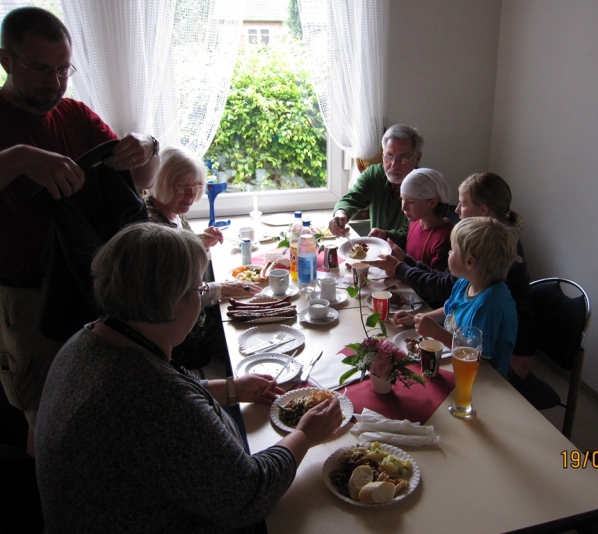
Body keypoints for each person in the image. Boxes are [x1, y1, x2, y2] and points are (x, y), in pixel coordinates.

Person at [35, 222, 343, 532]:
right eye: (198, 289)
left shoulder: (90, 339)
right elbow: (248, 496)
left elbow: (161, 391)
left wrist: (229, 388)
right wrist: (306, 434)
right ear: (172, 299)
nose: (201, 299)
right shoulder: (154, 400)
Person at [0, 6, 159, 455]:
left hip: (92, 288)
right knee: (46, 418)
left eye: (63, 70)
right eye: (39, 69)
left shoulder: (74, 115)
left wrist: (147, 145)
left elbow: (143, 179)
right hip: (29, 296)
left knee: (99, 408)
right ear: (6, 60)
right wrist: (18, 159)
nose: (54, 82)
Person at [393, 217, 518, 376]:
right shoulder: (464, 282)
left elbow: (475, 358)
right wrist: (416, 318)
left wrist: (438, 333)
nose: (449, 253)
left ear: (470, 262)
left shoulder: (490, 304)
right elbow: (448, 310)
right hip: (453, 359)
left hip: (483, 377)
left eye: (452, 250)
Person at [147, 146, 261, 301]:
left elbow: (183, 260)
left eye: (196, 186)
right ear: (162, 183)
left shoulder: (173, 212)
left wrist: (202, 244)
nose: (191, 194)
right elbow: (179, 291)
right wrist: (222, 288)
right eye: (182, 186)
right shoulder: (154, 228)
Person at [329, 124, 423, 247]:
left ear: (417, 158)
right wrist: (341, 214)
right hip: (377, 252)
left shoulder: (424, 186)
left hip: (408, 260)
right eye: (389, 156)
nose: (394, 165)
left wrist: (385, 235)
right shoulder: (374, 174)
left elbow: (413, 233)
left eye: (403, 158)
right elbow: (352, 198)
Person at [399, 167, 453, 271]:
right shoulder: (414, 222)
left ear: (432, 202)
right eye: (402, 199)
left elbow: (434, 281)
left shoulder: (445, 238)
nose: (403, 207)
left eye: (411, 202)